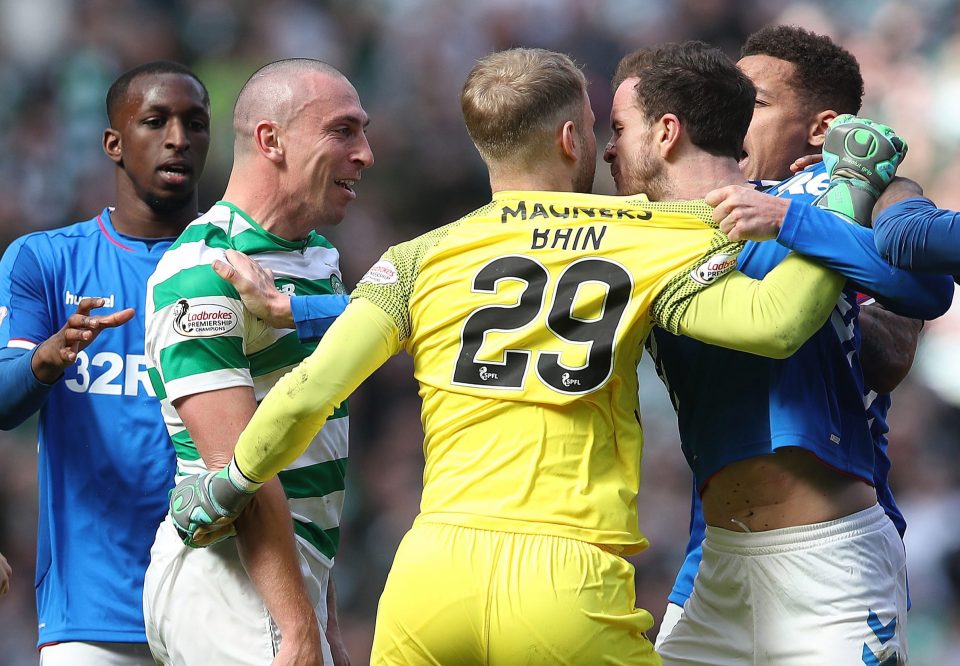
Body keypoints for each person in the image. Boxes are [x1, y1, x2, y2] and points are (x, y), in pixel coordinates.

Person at [164, 45, 864, 665]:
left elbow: (307, 391)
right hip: (566, 583)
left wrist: (229, 483)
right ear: (569, 138)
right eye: (598, 131)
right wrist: (843, 195)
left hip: (430, 578)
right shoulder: (658, 236)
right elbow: (777, 323)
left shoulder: (417, 257)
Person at [634, 29, 952, 664]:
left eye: (751, 102)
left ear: (821, 128)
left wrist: (802, 218)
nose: (729, 116)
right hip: (712, 558)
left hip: (831, 552)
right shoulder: (684, 220)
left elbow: (923, 291)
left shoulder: (860, 197)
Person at [141, 58, 370, 666]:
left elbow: (311, 450)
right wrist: (296, 628)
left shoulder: (317, 258)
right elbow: (239, 464)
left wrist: (325, 621)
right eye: (343, 131)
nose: (365, 153)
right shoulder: (205, 267)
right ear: (271, 140)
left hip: (289, 580)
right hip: (234, 582)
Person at [0, 61, 210, 666]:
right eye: (155, 121)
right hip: (92, 613)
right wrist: (47, 360)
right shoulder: (45, 262)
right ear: (114, 143)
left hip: (219, 600)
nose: (178, 139)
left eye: (194, 124)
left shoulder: (235, 265)